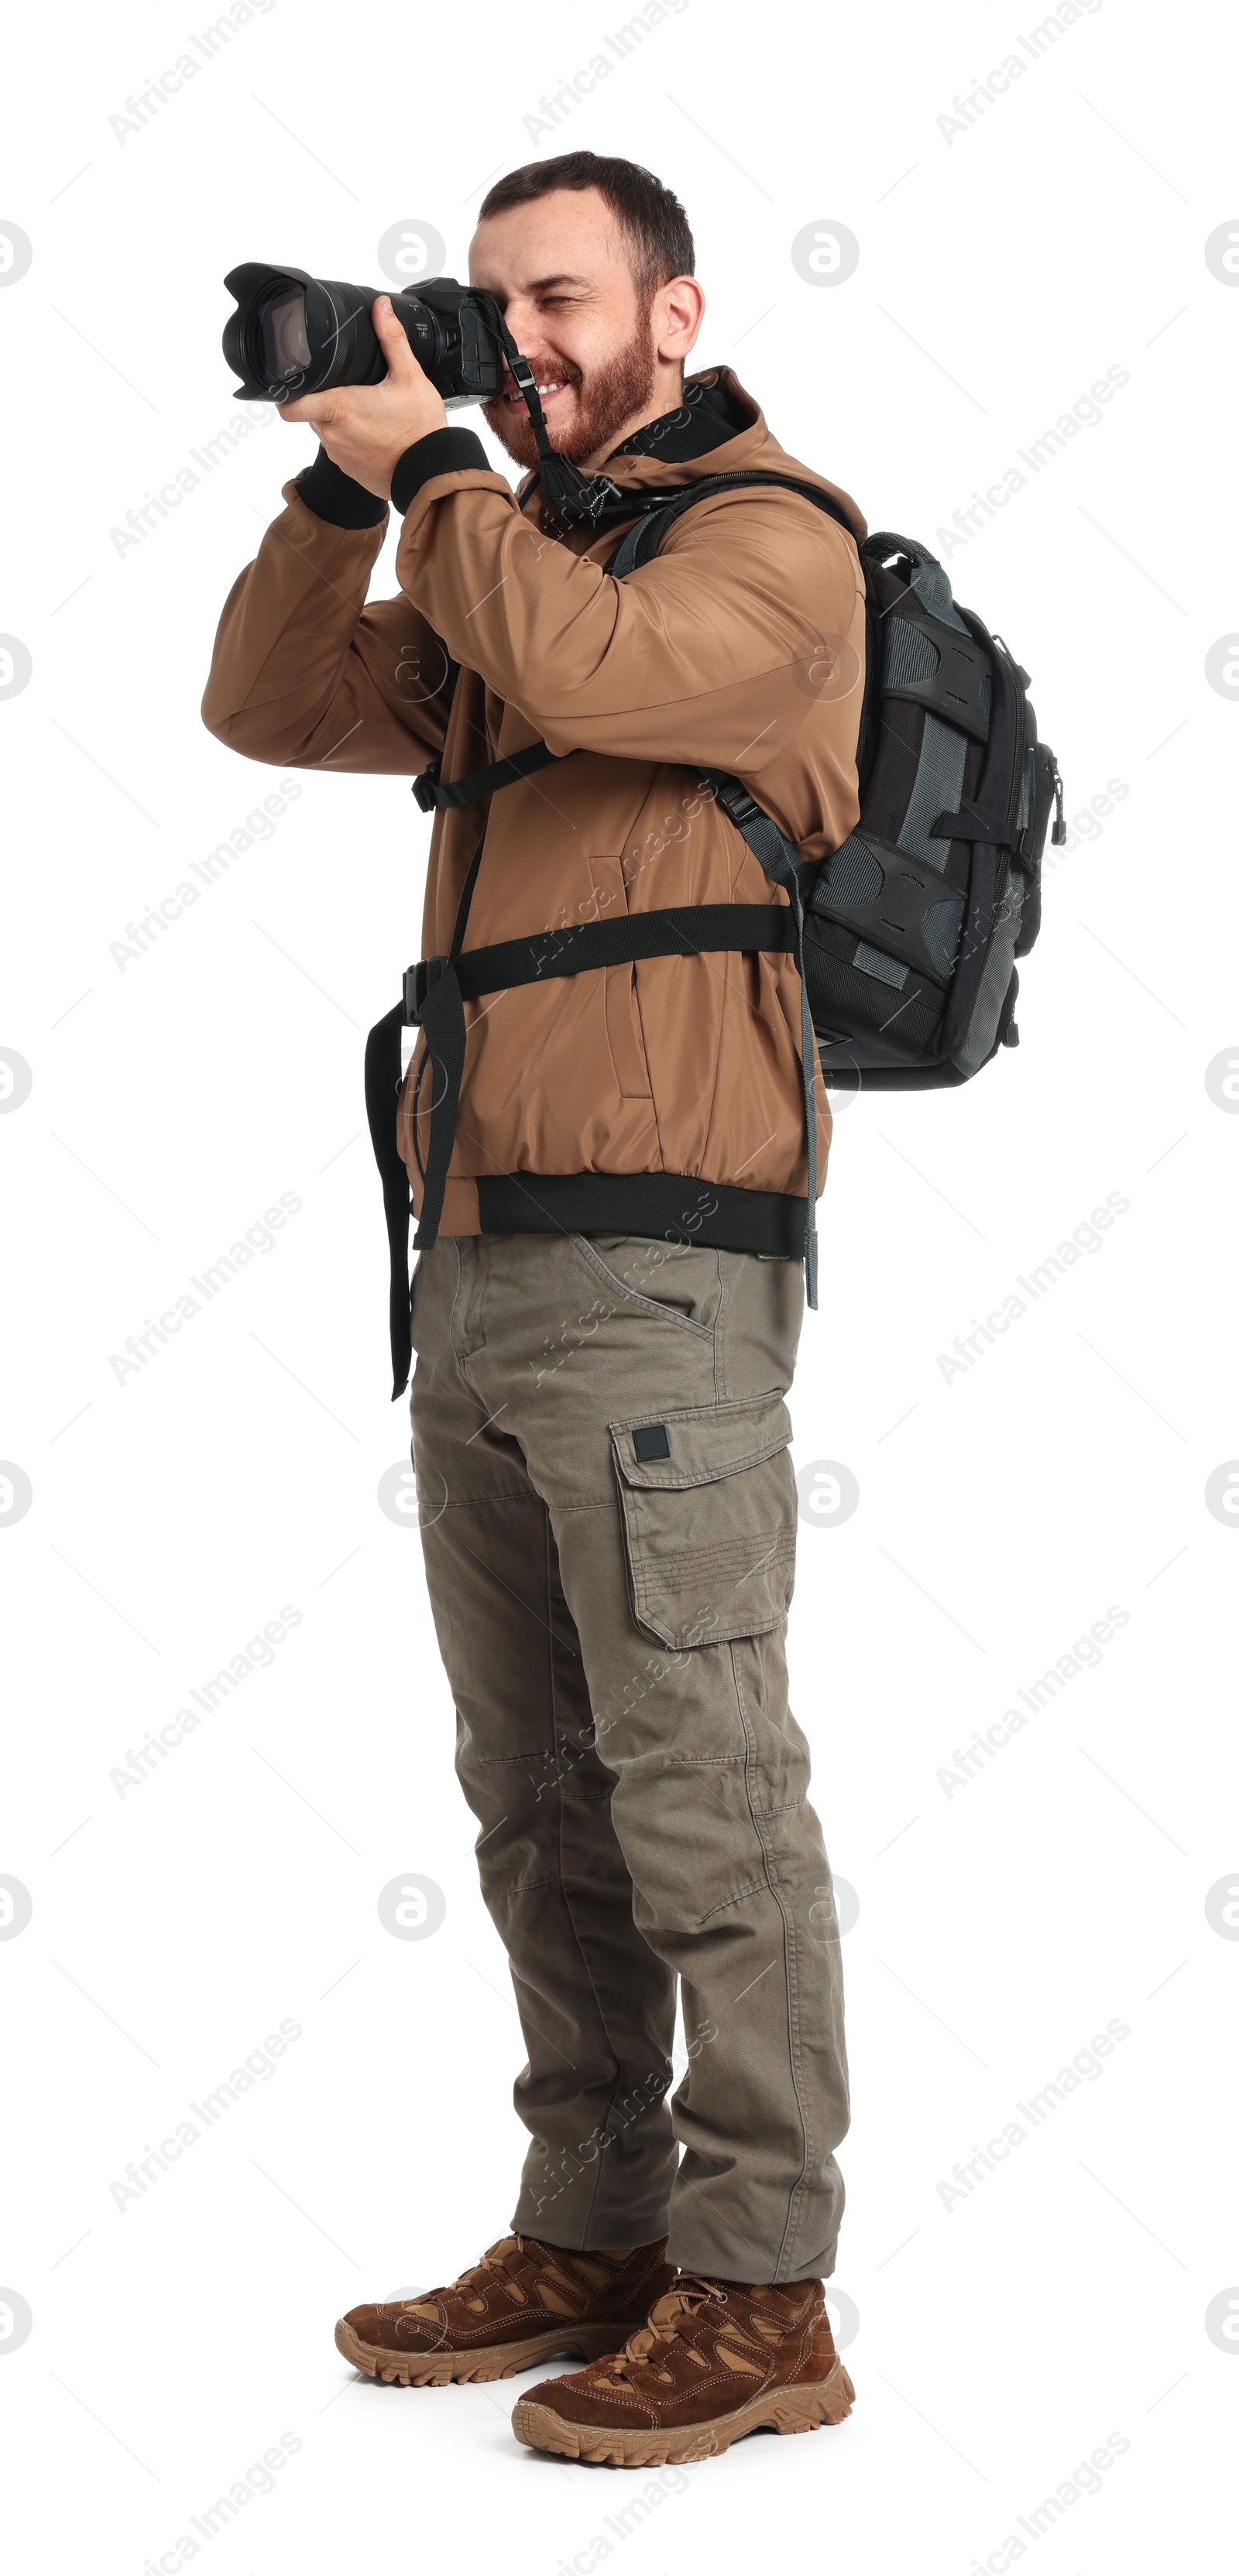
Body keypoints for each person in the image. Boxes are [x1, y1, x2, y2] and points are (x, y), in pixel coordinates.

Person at [203, 149, 863, 2468]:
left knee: (703, 1786)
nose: (526, 340)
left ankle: (764, 2285)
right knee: (539, 1795)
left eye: (562, 300)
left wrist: (451, 474)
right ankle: (594, 2220)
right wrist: (334, 487)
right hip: (477, 1266)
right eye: (490, 307)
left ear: (675, 315)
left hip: (664, 1261)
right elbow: (271, 709)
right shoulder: (513, 563)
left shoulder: (768, 548)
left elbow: (593, 669)